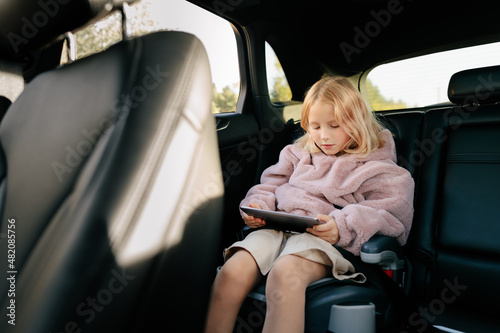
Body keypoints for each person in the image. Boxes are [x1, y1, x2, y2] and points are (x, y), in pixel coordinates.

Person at [204, 76, 414, 333]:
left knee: (286, 274)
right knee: (232, 270)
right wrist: (259, 205)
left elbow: (394, 214)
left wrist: (342, 226)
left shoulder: (379, 167)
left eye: (334, 126)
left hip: (327, 240)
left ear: (357, 121)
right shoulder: (297, 153)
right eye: (314, 127)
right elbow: (269, 185)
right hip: (278, 229)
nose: (323, 136)